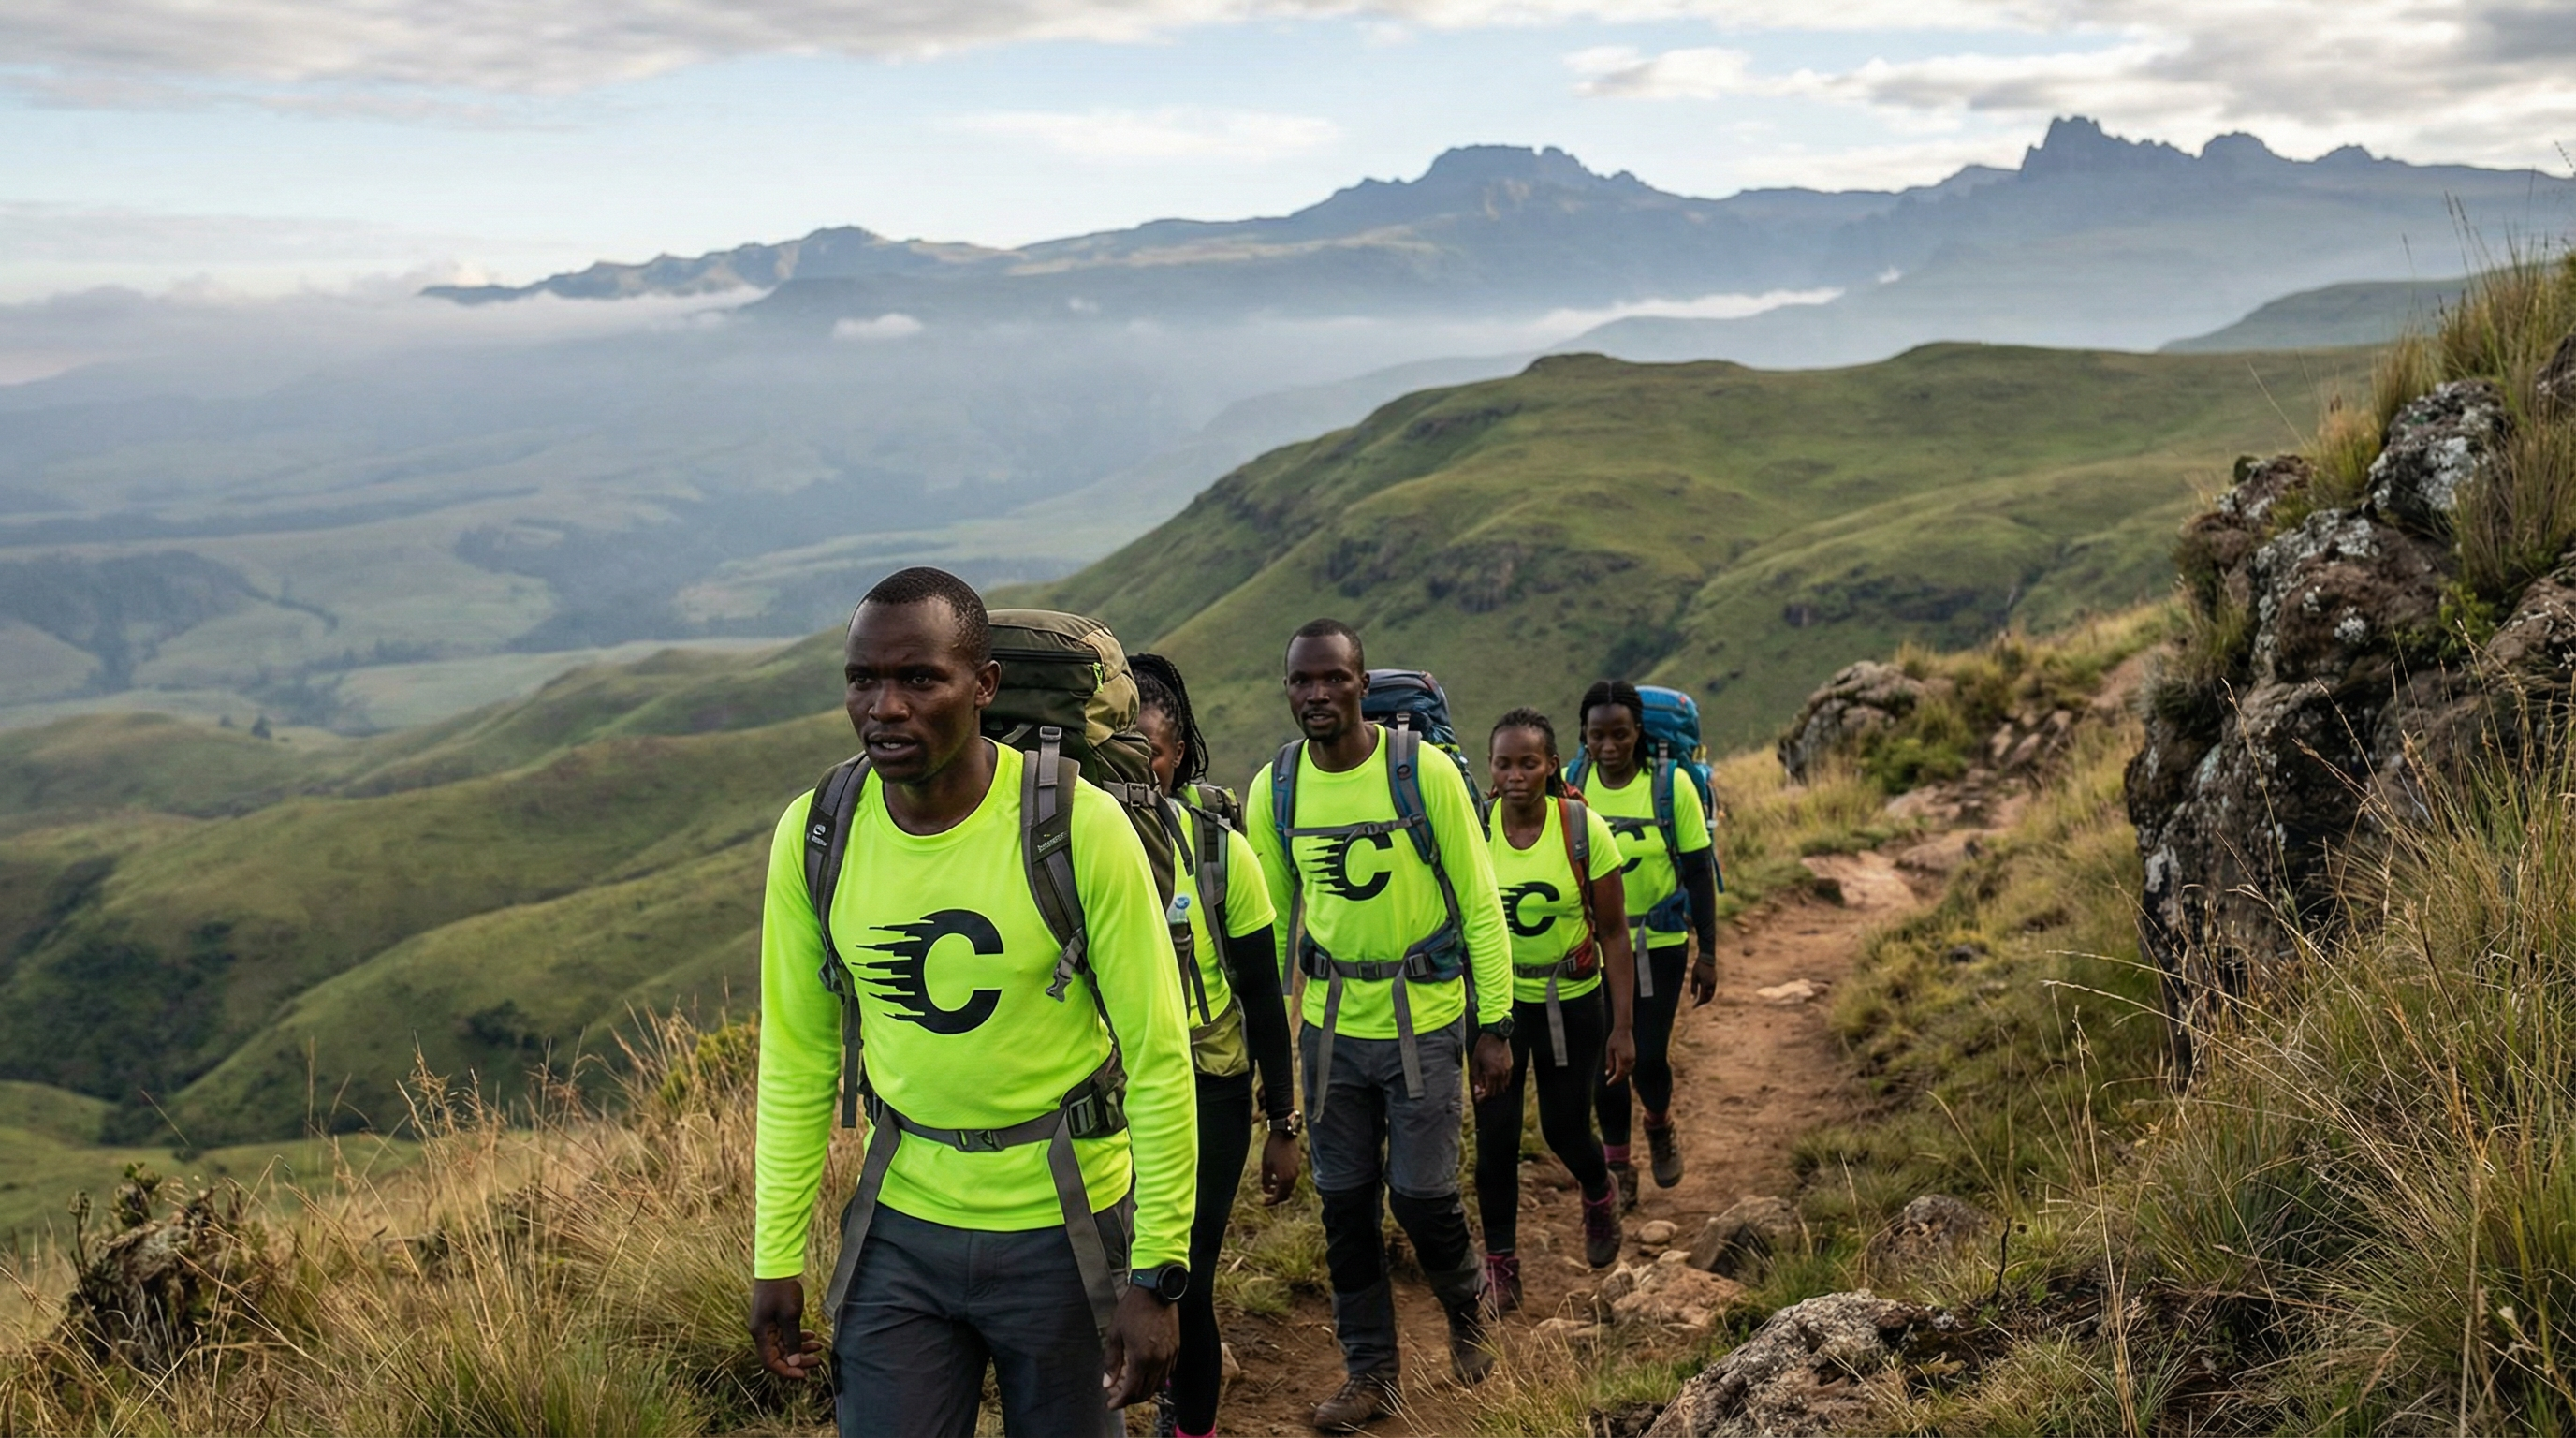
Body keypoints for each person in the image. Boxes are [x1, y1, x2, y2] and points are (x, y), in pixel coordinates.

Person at [747, 567, 1198, 1438]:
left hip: (1067, 1231)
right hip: (900, 1230)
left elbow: (1158, 1056)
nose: (885, 707)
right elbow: (799, 1058)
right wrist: (775, 1253)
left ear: (982, 687)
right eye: (863, 680)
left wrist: (1158, 1274)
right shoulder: (817, 834)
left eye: (920, 679)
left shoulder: (1079, 826)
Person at [1245, 618, 1515, 1433]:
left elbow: (1478, 901)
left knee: (1423, 1195)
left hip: (1426, 1022)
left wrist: (1493, 1023)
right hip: (1329, 1036)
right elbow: (1272, 929)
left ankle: (1465, 1304)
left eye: (1333, 678)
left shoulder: (1421, 773)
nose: (1317, 694)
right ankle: (1371, 1375)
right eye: (1302, 681)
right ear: (1288, 689)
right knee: (1345, 1206)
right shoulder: (1276, 789)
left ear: (1362, 684)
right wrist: (1271, 1059)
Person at [1131, 653, 1304, 1438]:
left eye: (1153, 753)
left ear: (1180, 754)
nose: (1139, 771)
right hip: (1109, 1094)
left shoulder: (1216, 850)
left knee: (1180, 1278)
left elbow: (1266, 999)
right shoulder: (1064, 848)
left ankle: (1187, 1425)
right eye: (1121, 754)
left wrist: (1283, 1123)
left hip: (1211, 1087)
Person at [1473, 709, 1638, 1308]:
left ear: (1551, 767)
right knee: (1495, 1141)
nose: (1516, 775)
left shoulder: (1581, 829)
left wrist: (1622, 1027)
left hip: (1573, 1002)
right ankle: (1500, 1267)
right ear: (1490, 771)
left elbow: (1615, 933)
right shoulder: (1478, 829)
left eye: (1528, 762)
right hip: (1498, 1007)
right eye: (1504, 763)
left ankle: (1598, 1190)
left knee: (1565, 1128)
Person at [1573, 680, 1720, 1204]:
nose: (1609, 746)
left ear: (1639, 734)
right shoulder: (1573, 786)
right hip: (1591, 949)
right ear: (1583, 738)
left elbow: (1700, 873)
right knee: (1604, 1063)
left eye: (1620, 734)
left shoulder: (1672, 785)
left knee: (1650, 1055)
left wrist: (1708, 952)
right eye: (1597, 736)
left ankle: (1658, 1123)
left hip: (1657, 941)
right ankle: (1618, 1168)